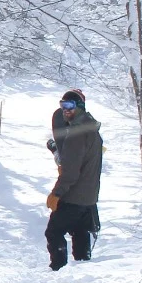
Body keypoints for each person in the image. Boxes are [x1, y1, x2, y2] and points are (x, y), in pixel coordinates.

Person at [45, 88, 103, 271]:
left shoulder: (76, 134)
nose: (65, 110)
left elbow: (70, 171)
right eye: (62, 106)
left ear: (80, 107)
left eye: (70, 106)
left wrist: (56, 193)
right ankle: (83, 268)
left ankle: (58, 269)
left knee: (53, 232)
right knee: (79, 231)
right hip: (89, 198)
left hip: (74, 196)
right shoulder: (91, 129)